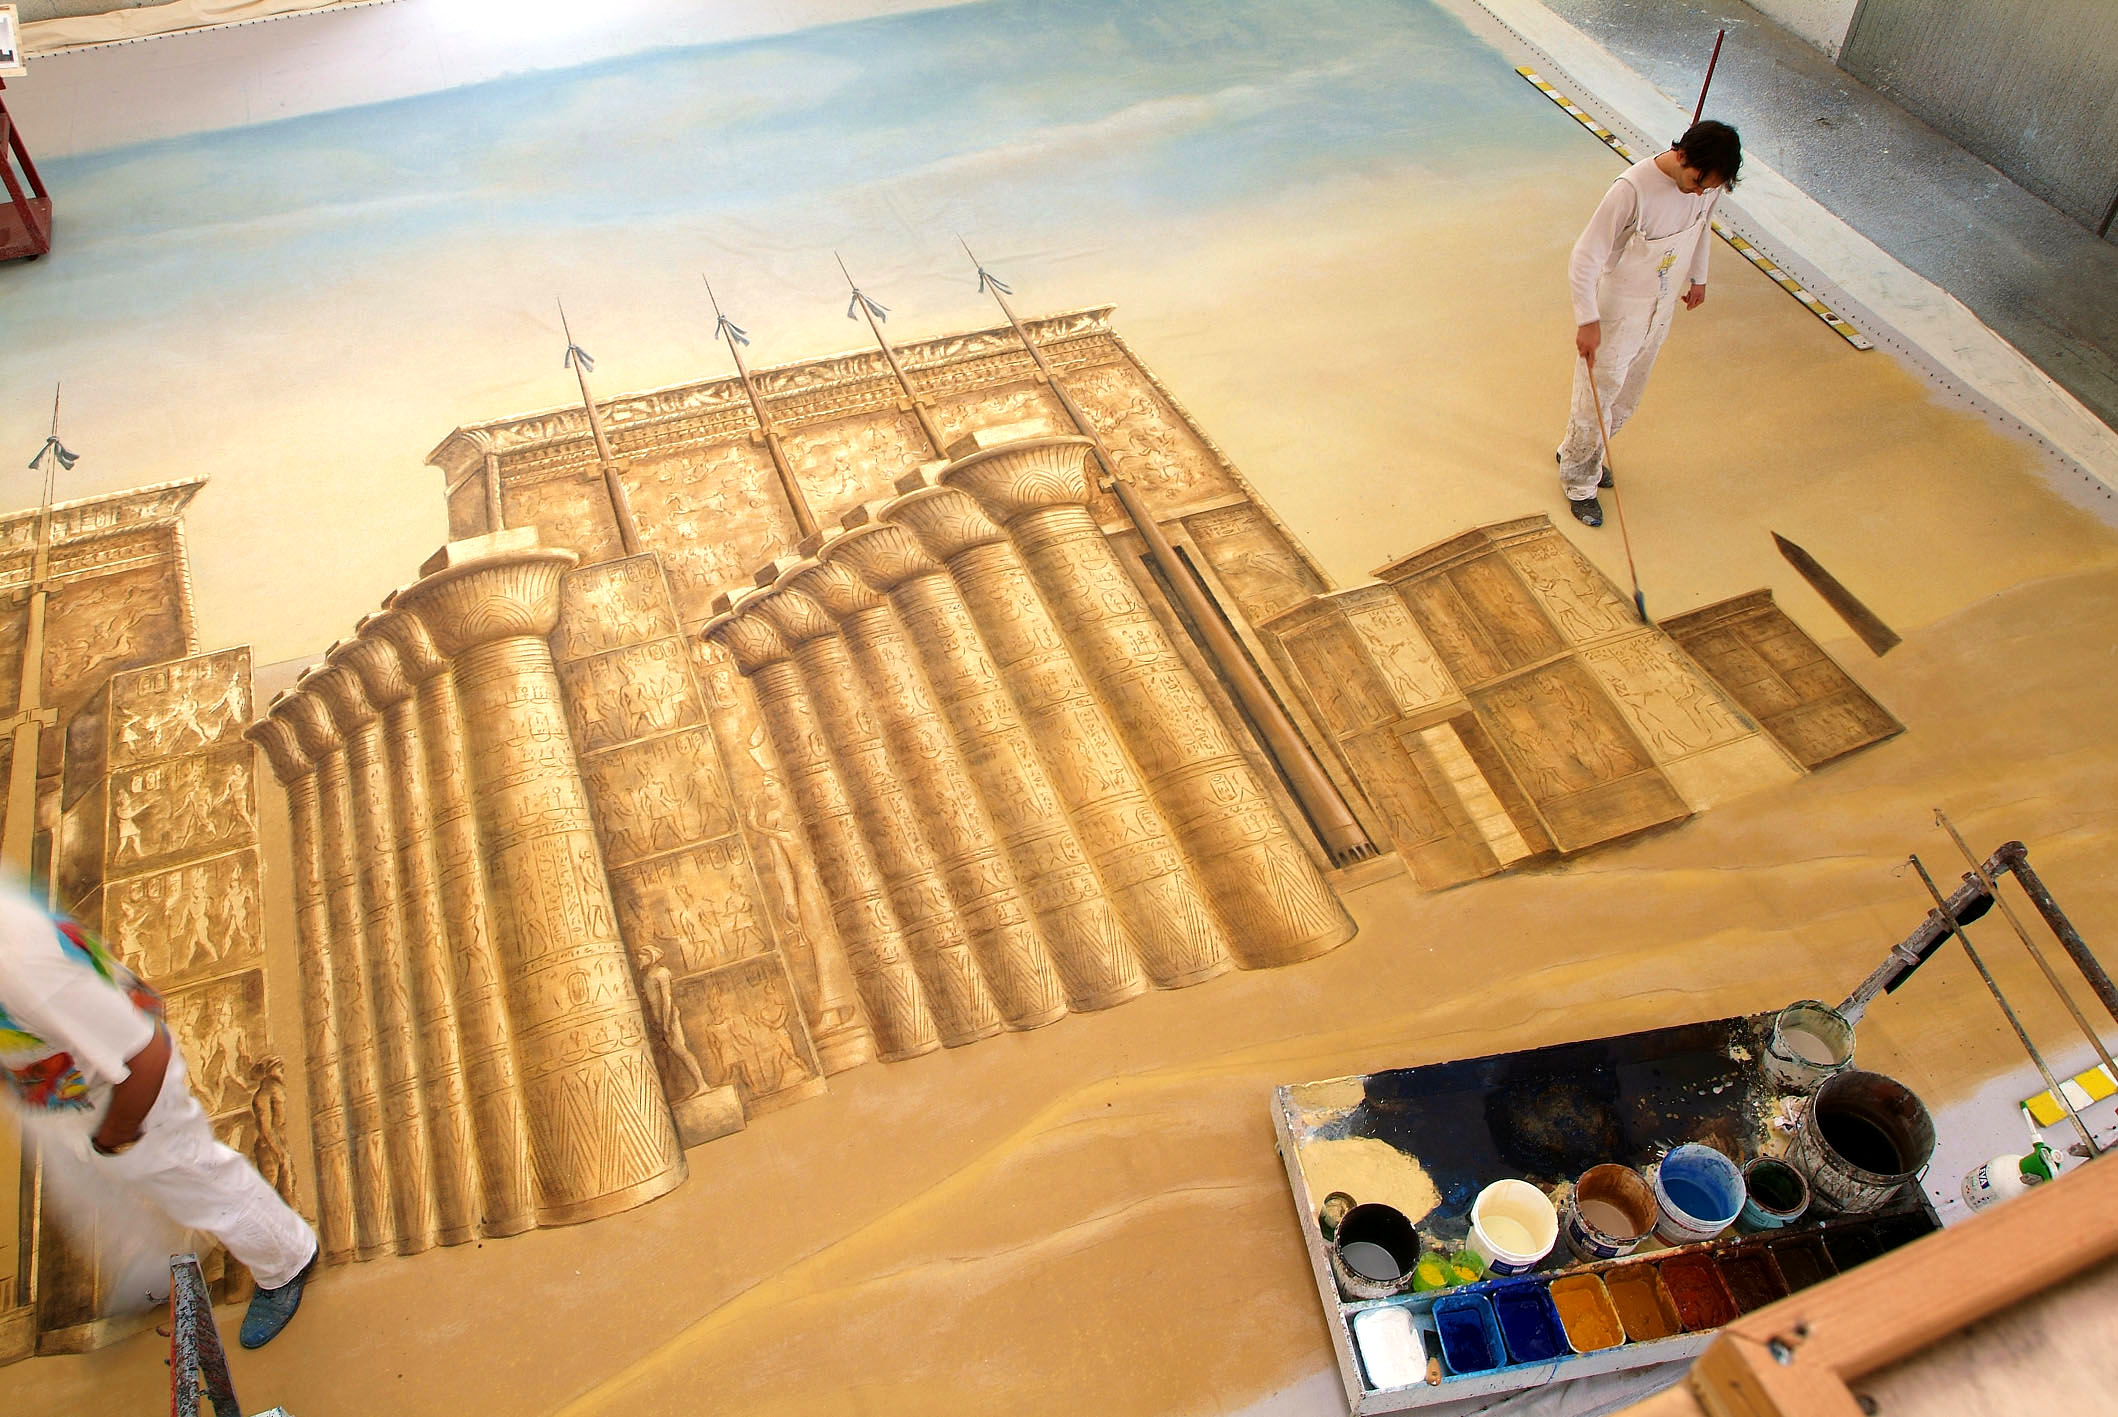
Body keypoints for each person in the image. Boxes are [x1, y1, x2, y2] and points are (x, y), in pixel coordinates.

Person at [0, 881, 316, 1348]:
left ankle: (285, 1259)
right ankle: (154, 1266)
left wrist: (116, 1136)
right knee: (87, 1185)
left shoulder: (21, 966)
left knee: (197, 1179)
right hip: (64, 1090)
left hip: (127, 1095)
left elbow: (146, 1056)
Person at [1556, 120, 1742, 527]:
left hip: (1661, 305)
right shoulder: (1632, 189)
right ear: (1682, 156)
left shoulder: (1706, 186)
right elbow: (1585, 257)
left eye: (1709, 188)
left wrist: (1699, 277)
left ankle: (1582, 452)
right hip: (1619, 310)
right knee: (1597, 400)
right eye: (1696, 182)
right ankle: (1579, 483)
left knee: (1627, 397)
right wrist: (1587, 320)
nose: (1698, 192)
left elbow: (1702, 227)